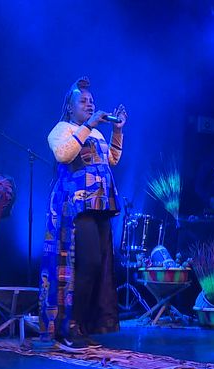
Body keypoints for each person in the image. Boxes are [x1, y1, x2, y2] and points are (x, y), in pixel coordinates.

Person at [39, 76, 127, 348]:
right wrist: (88, 126)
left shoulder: (98, 133)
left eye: (92, 101)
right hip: (75, 207)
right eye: (84, 101)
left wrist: (118, 131)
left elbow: (113, 159)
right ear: (70, 106)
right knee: (84, 262)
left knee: (99, 264)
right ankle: (68, 326)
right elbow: (64, 155)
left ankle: (83, 324)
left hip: (99, 205)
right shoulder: (61, 129)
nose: (90, 105)